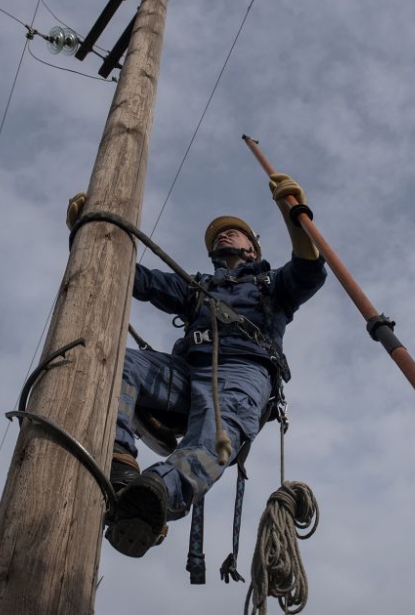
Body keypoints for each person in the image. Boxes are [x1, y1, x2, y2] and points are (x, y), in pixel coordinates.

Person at [66, 173, 326, 558]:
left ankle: (155, 497)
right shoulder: (199, 288)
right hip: (186, 373)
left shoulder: (272, 284)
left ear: (252, 249)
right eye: (218, 236)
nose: (223, 236)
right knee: (116, 362)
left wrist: (294, 215)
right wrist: (87, 234)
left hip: (242, 373)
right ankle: (121, 466)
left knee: (216, 435)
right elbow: (134, 278)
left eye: (234, 233)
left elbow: (309, 269)